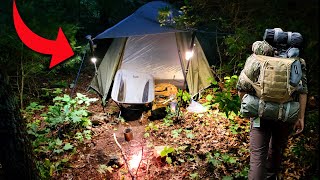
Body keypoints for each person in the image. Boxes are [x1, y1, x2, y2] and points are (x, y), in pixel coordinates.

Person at [237, 40, 308, 180]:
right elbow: (302, 91)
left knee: (257, 158)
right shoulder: (297, 62)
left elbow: (241, 88)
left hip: (259, 115)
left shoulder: (256, 59)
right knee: (275, 152)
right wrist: (301, 117)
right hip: (285, 114)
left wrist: (250, 107)